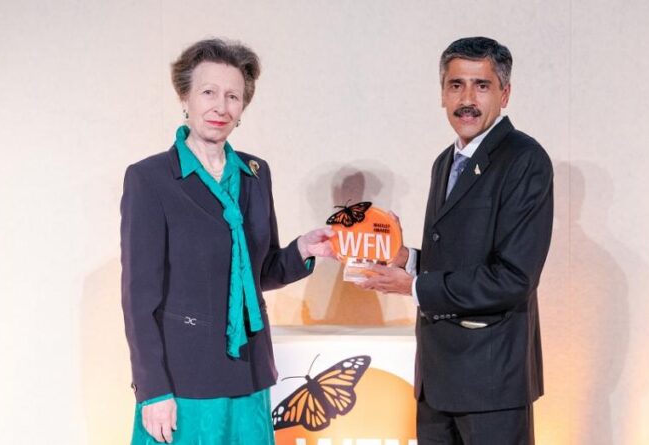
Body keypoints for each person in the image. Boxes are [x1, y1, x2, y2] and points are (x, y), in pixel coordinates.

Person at [120, 38, 334, 444]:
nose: (221, 107)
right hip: (184, 379)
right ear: (184, 97)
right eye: (208, 92)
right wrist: (152, 390)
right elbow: (138, 297)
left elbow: (258, 271)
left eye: (233, 96)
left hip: (249, 371)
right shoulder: (150, 179)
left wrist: (302, 250)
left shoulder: (256, 173)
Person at [360, 37, 554, 444]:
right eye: (456, 85)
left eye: (481, 86)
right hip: (436, 379)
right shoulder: (444, 162)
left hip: (491, 383)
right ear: (442, 94)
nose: (467, 99)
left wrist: (414, 287)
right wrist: (407, 259)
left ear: (505, 94)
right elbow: (458, 257)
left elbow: (514, 278)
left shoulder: (524, 160)